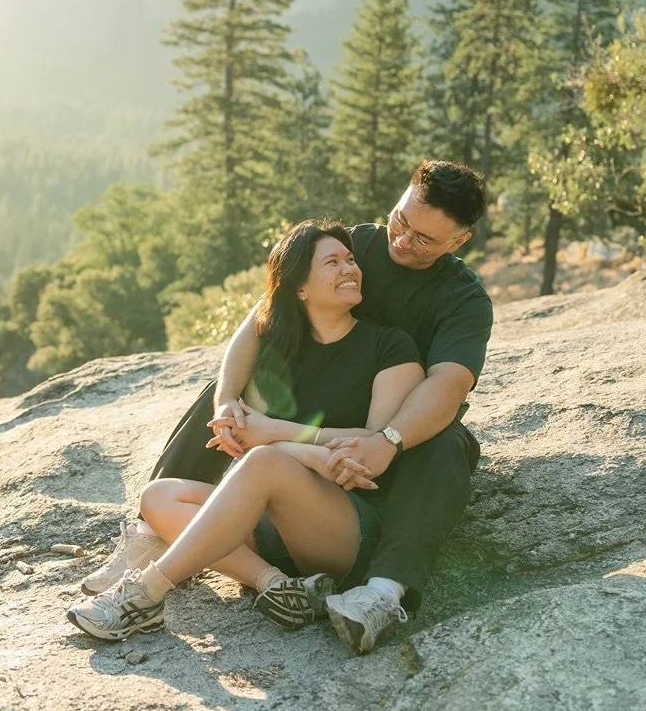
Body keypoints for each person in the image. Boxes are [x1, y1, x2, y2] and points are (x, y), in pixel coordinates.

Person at [79, 160, 492, 654]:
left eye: (423, 240)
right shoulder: (358, 243)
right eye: (400, 221)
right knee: (224, 403)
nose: (402, 241)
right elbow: (261, 318)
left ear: (459, 240)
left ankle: (385, 588)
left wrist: (386, 440)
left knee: (445, 440)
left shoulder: (459, 301)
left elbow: (447, 384)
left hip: (389, 439)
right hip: (315, 440)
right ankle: (231, 566)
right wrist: (228, 402)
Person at [67, 219, 424, 641]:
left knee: (265, 460)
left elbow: (374, 445)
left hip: (345, 528)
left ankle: (144, 595)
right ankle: (279, 586)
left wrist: (274, 435)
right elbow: (247, 348)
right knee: (158, 496)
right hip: (273, 528)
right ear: (300, 288)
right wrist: (246, 420)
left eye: (350, 260)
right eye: (332, 263)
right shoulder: (280, 352)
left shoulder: (391, 346)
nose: (350, 269)